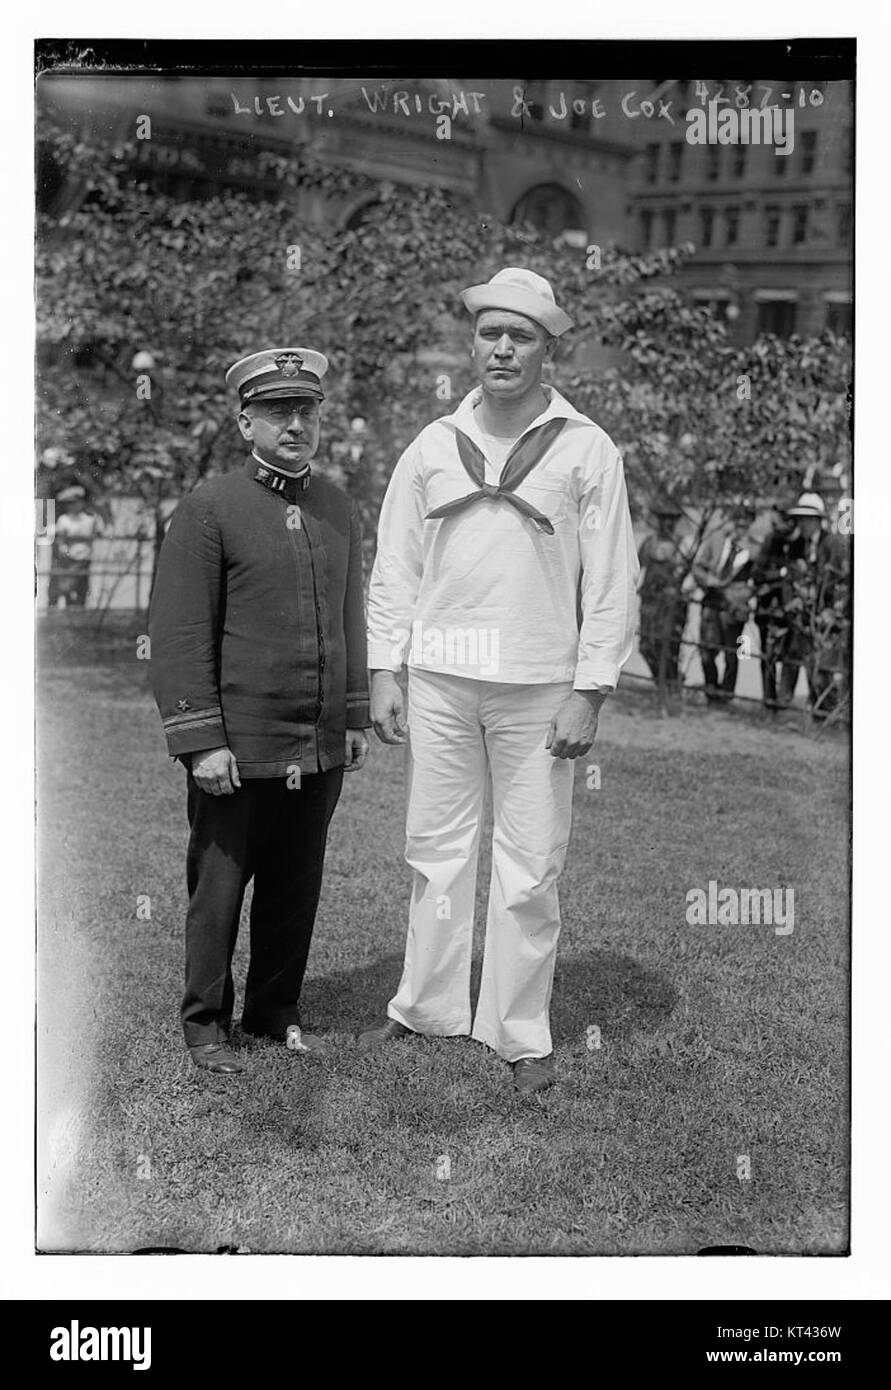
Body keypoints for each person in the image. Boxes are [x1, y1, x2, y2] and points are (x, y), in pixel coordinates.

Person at [362, 267, 639, 1094]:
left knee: (529, 863)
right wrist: (385, 668)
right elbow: (395, 567)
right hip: (442, 680)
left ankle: (518, 1033)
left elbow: (612, 580)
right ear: (472, 343)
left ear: (548, 348)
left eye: (521, 335)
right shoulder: (430, 444)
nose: (503, 348)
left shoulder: (586, 447)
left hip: (536, 686)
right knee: (435, 853)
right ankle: (426, 1009)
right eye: (491, 333)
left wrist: (588, 688)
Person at [148, 348, 370, 1075]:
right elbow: (179, 634)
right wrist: (200, 740)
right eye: (278, 412)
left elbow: (349, 618)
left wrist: (353, 713)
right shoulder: (210, 507)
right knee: (218, 890)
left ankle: (274, 1013)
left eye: (306, 411)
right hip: (236, 749)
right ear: (246, 421)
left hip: (316, 743)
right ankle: (205, 1025)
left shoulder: (336, 505)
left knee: (294, 885)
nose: (296, 425)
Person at [751, 493, 848, 715]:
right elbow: (791, 579)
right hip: (801, 618)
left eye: (806, 519)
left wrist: (832, 612)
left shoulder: (833, 544)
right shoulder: (798, 546)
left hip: (826, 619)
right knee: (801, 663)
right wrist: (792, 601)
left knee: (822, 670)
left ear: (816, 520)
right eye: (800, 519)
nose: (801, 524)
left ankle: (829, 714)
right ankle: (804, 709)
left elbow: (842, 582)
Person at [692, 508, 755, 704]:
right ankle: (711, 689)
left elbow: (755, 582)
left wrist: (739, 596)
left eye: (744, 525)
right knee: (706, 651)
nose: (740, 528)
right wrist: (709, 580)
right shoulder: (715, 540)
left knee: (732, 654)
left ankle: (726, 696)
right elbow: (698, 566)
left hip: (733, 608)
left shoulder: (751, 549)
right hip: (712, 600)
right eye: (737, 522)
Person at [637, 497, 690, 698]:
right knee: (646, 646)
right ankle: (660, 681)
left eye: (672, 519)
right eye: (664, 518)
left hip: (672, 605)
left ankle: (671, 685)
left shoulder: (683, 546)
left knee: (670, 647)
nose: (667, 523)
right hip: (650, 602)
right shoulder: (649, 543)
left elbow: (688, 577)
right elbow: (638, 569)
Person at [48, 485, 102, 607]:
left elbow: (98, 533)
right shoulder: (64, 520)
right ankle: (69, 610)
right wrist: (64, 552)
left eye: (75, 502)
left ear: (81, 502)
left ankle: (79, 612)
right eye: (70, 503)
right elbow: (61, 539)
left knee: (82, 588)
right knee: (66, 587)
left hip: (85, 559)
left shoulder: (90, 519)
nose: (72, 506)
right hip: (68, 559)